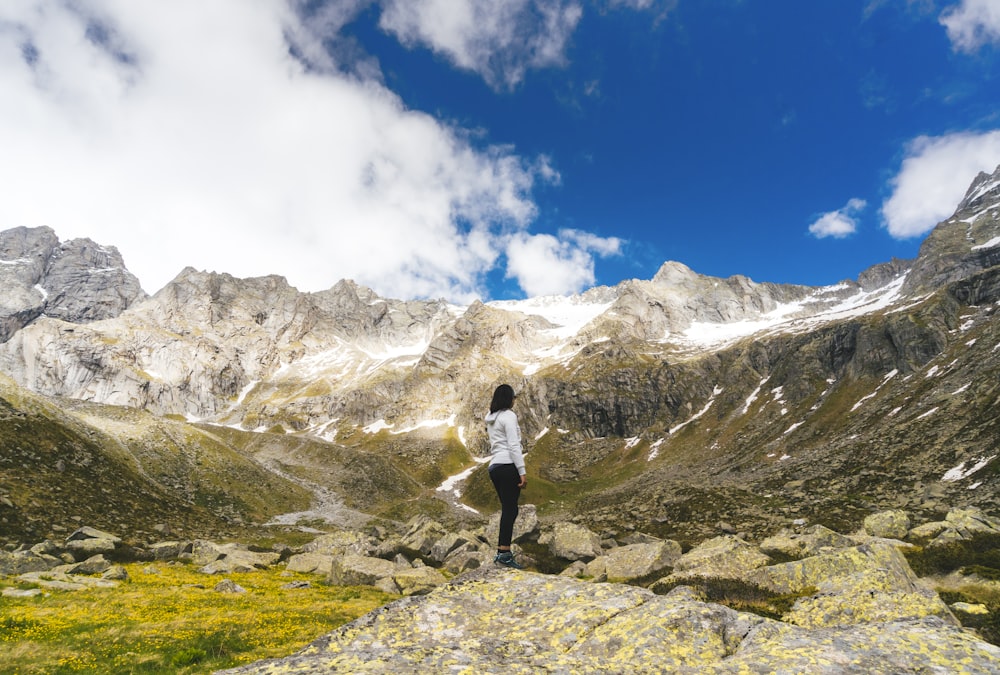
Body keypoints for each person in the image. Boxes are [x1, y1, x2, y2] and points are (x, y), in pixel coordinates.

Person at [485, 383, 527, 569]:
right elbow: (513, 445)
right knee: (510, 510)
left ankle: (503, 551)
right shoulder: (509, 416)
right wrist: (522, 470)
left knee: (508, 509)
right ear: (508, 399)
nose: (515, 400)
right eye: (513, 397)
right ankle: (504, 554)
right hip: (508, 464)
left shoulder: (491, 418)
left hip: (494, 466)